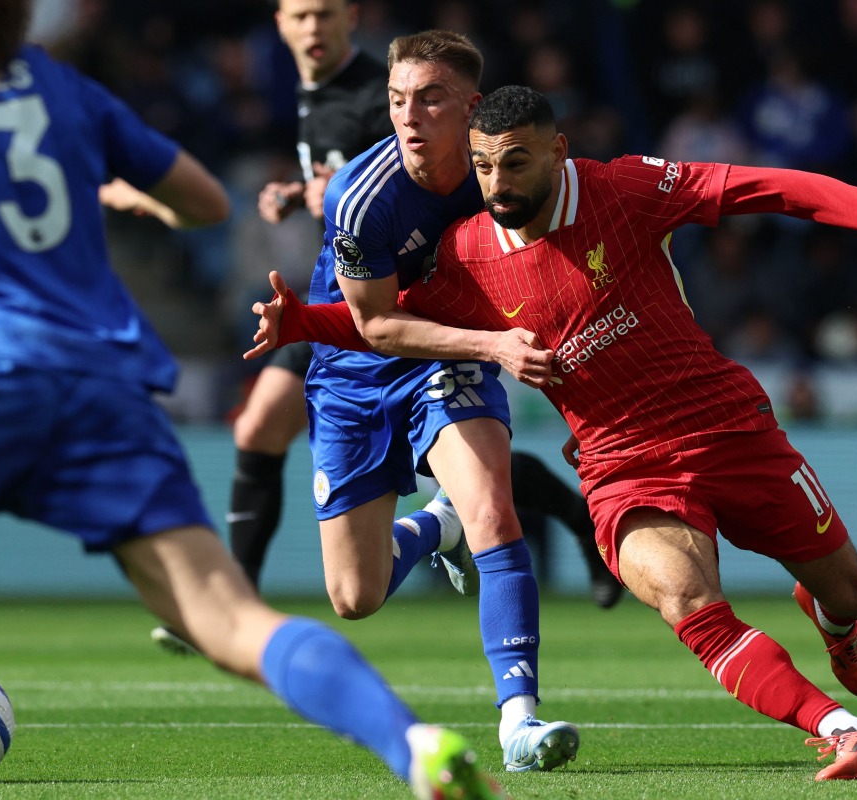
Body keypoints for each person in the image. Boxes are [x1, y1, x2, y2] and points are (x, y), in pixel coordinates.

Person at [0, 3, 507, 798]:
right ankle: (414, 745)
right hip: (106, 389)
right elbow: (204, 201)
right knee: (230, 624)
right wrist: (134, 198)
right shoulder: (60, 87)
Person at [249, 85, 857, 780]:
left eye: (515, 162)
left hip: (727, 427)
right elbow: (393, 320)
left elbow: (769, 188)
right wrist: (302, 324)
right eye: (482, 165)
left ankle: (831, 615)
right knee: (688, 602)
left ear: (558, 151)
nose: (496, 182)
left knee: (856, 593)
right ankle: (846, 732)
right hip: (623, 466)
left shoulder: (624, 190)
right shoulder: (468, 251)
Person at [217, 0, 619, 613]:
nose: (312, 28)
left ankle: (234, 596)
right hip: (353, 314)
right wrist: (304, 194)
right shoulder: (311, 98)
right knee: (354, 596)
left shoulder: (385, 101)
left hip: (422, 317)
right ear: (278, 25)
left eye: (323, 14)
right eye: (299, 16)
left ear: (350, 18)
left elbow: (389, 181)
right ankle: (443, 525)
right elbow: (353, 201)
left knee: (481, 491)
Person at [266, 31, 580, 773]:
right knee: (355, 596)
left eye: (432, 98)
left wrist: (499, 344)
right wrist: (498, 346)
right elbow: (374, 324)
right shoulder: (361, 193)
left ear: (471, 108)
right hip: (354, 370)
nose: (410, 114)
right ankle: (437, 529)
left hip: (448, 360)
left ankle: (518, 721)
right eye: (399, 99)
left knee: (496, 515)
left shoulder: (501, 172)